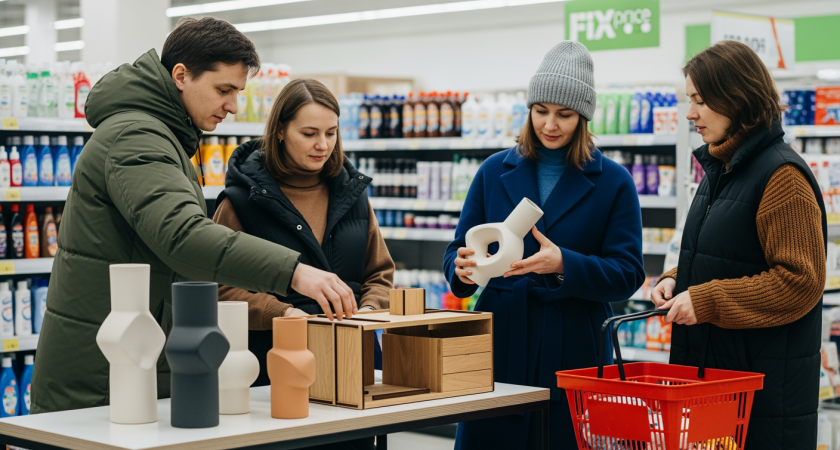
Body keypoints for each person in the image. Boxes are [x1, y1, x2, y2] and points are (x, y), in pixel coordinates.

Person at [31, 17, 358, 415]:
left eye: (238, 92)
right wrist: (296, 272)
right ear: (181, 76)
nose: (233, 106)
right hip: (102, 376)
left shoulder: (163, 136)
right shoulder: (135, 137)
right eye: (224, 90)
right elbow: (183, 237)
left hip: (131, 361)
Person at [443, 41, 645, 449]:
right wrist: (460, 268)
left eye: (564, 114)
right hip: (500, 336)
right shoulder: (493, 171)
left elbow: (627, 273)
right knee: (491, 437)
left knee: (563, 438)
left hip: (573, 343)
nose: (550, 124)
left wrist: (564, 265)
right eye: (541, 111)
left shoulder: (614, 182)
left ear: (583, 117)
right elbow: (456, 252)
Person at [651, 40, 826, 449]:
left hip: (763, 401)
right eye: (689, 100)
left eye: (700, 100)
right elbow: (726, 254)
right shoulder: (721, 169)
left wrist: (706, 300)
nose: (690, 113)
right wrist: (679, 279)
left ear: (737, 97)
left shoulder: (782, 177)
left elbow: (801, 281)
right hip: (717, 385)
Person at [214, 78, 394, 383]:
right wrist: (280, 313)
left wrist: (368, 308)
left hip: (351, 363)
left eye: (331, 133)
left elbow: (379, 274)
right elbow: (216, 289)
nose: (322, 145)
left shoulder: (353, 196)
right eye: (309, 134)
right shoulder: (242, 202)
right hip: (271, 366)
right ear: (281, 131)